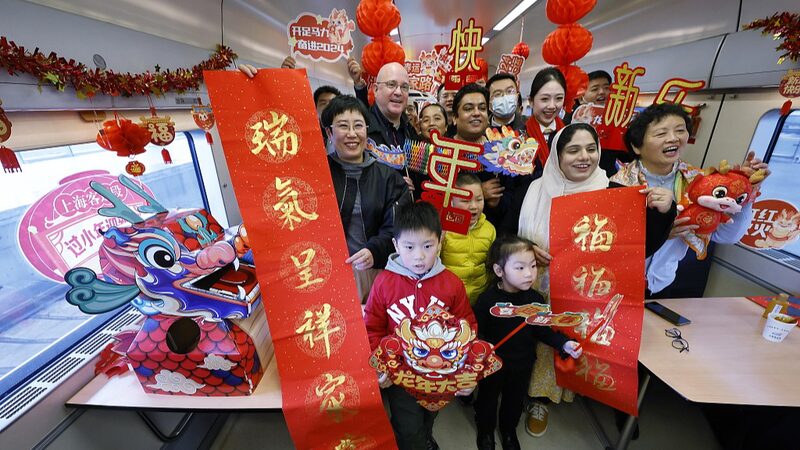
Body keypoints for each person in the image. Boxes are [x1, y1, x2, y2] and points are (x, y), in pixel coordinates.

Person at [517, 122, 675, 437]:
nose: (584, 157)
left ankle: (579, 390)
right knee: (542, 345)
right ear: (557, 156)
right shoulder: (535, 189)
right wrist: (526, 250)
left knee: (580, 344)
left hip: (589, 291)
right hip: (540, 286)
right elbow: (509, 234)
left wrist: (665, 211)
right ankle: (539, 399)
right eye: (573, 149)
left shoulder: (614, 192)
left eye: (591, 148)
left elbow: (641, 246)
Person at [610, 102, 770, 298]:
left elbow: (726, 236)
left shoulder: (701, 183)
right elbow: (609, 245)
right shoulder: (617, 186)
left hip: (661, 284)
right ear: (637, 146)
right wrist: (661, 233)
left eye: (680, 130)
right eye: (661, 134)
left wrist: (745, 190)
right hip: (615, 282)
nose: (673, 138)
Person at [364, 200, 476, 450]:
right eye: (409, 246)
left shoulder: (452, 284)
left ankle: (425, 436)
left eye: (427, 245)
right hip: (401, 377)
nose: (419, 256)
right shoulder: (383, 283)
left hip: (440, 376)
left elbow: (466, 327)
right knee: (408, 427)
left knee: (430, 416)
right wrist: (381, 364)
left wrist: (467, 370)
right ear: (395, 245)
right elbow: (372, 328)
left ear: (440, 241)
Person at [472, 235, 582, 450]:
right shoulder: (487, 300)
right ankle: (485, 430)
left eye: (532, 266)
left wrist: (564, 344)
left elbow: (543, 331)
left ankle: (509, 430)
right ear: (499, 271)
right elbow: (478, 332)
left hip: (522, 364)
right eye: (520, 268)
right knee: (487, 399)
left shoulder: (536, 300)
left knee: (514, 401)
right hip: (492, 365)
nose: (529, 274)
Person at [321, 95, 410, 303]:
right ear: (329, 132)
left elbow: (399, 228)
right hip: (327, 276)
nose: (352, 134)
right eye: (343, 126)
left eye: (358, 126)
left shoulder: (388, 177)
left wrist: (374, 250)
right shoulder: (317, 174)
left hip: (375, 273)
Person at [482, 68, 568, 234]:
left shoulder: (570, 134)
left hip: (561, 216)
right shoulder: (515, 138)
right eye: (544, 99)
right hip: (522, 219)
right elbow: (508, 191)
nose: (552, 105)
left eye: (558, 98)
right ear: (531, 100)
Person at [441, 172, 496, 305]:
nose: (473, 206)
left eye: (479, 199)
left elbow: (492, 266)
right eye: (465, 201)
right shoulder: (443, 229)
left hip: (480, 299)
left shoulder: (489, 229)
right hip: (449, 299)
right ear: (452, 201)